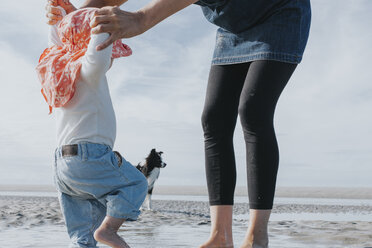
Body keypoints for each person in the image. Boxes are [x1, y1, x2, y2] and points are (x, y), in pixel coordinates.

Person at [46, 0, 311, 247]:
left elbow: (140, 19)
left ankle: (256, 236)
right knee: (214, 119)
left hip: (278, 11)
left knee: (252, 110)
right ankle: (220, 236)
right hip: (233, 24)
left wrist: (141, 19)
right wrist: (72, 15)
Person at [38, 2, 148, 247]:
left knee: (82, 237)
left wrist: (59, 18)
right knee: (136, 183)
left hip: (62, 168)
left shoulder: (58, 71)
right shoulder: (89, 70)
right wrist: (101, 21)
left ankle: (95, 235)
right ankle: (109, 231)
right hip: (91, 157)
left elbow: (57, 43)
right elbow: (97, 52)